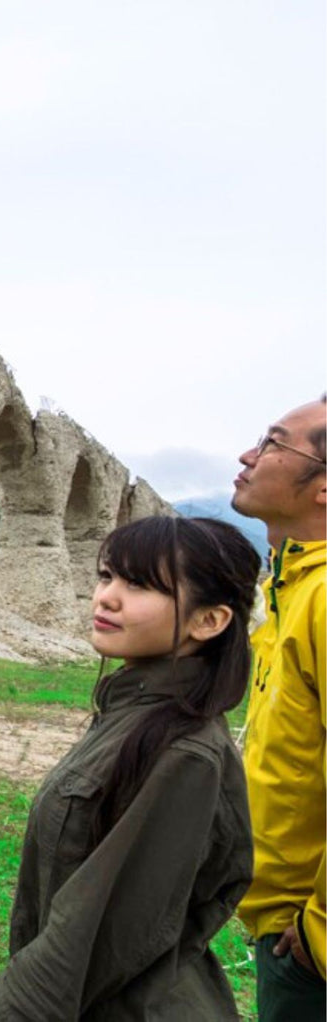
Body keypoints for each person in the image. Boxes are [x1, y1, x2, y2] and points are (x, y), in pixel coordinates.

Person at [0, 516, 260, 1020]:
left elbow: (103, 929)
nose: (106, 597)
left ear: (209, 621)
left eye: (138, 585)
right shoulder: (133, 713)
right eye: (107, 575)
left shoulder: (184, 755)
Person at [230, 396, 327, 1021]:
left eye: (271, 442)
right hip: (284, 919)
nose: (247, 454)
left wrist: (318, 936)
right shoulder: (294, 583)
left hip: (309, 943)